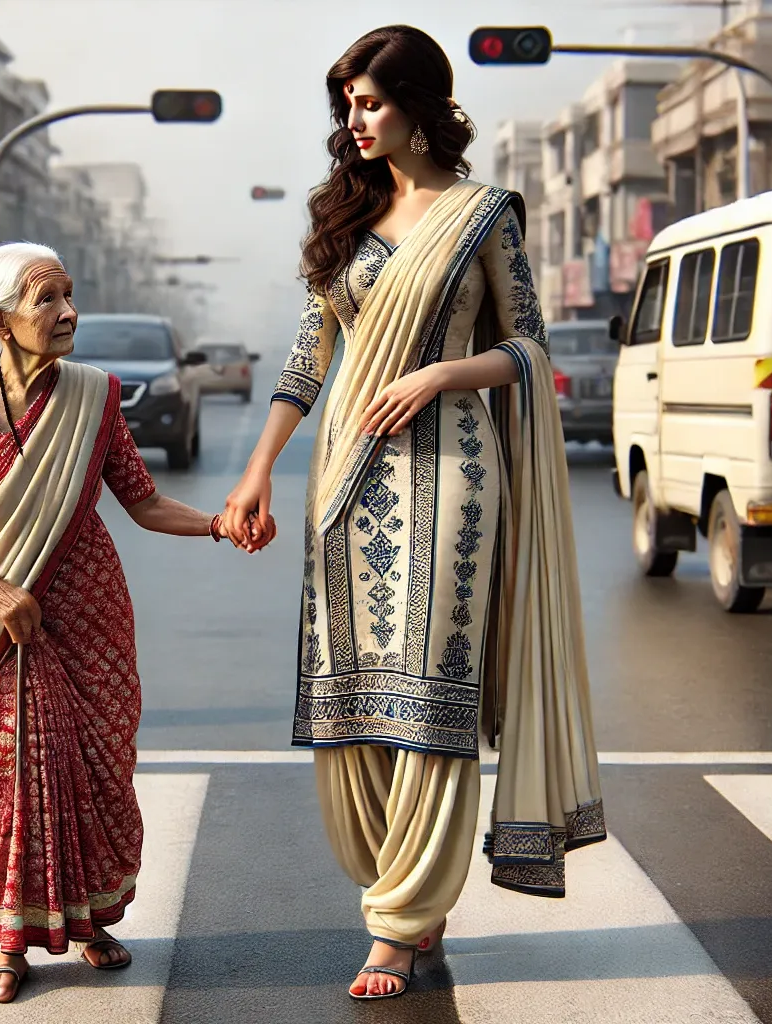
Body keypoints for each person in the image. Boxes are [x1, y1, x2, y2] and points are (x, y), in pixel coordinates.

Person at [222, 25, 604, 1001]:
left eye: (370, 103)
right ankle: (412, 899)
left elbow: (530, 350)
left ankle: (396, 925)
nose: (353, 120)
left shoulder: (483, 216)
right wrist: (257, 470)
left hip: (451, 472)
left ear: (420, 106)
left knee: (429, 689)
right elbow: (308, 362)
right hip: (343, 480)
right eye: (345, 104)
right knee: (356, 699)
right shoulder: (342, 222)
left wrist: (442, 369)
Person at [0, 242, 243, 1004]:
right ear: (0, 319)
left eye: (68, 296)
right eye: (46, 300)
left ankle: (89, 921)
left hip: (88, 611)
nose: (68, 313)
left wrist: (220, 525)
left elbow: (144, 503)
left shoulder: (94, 395)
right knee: (1, 773)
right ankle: (10, 939)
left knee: (95, 766)